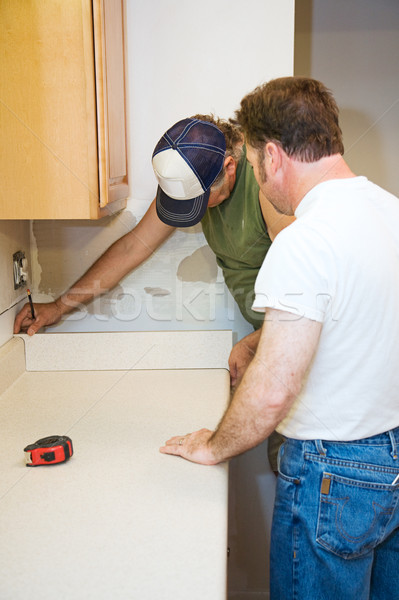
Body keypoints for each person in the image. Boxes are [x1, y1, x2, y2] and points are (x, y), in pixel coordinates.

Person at [160, 77, 399, 599]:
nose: (255, 179)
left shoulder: (304, 241)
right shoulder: (391, 214)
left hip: (331, 474)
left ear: (272, 155)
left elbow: (273, 391)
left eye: (251, 164)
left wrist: (213, 445)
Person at [14, 114, 292, 468]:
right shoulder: (192, 173)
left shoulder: (266, 184)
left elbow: (309, 291)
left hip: (300, 347)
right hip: (270, 341)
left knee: (295, 470)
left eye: (200, 199)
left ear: (229, 167)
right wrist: (59, 306)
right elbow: (133, 248)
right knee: (283, 468)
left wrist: (255, 343)